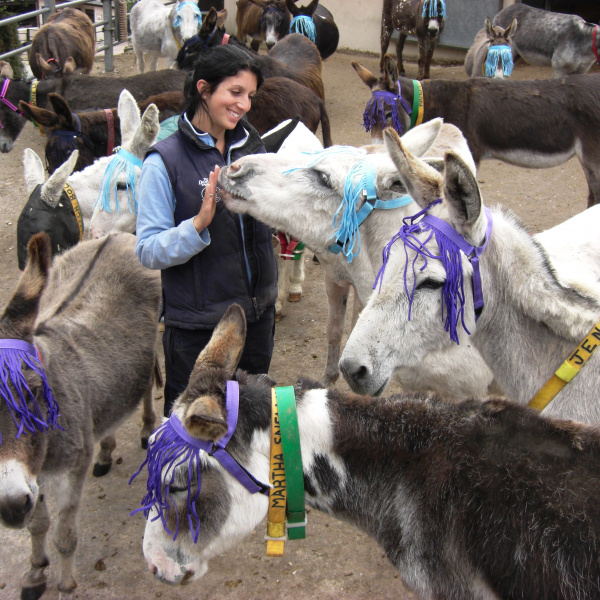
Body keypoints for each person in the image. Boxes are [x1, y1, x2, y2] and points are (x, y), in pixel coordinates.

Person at [135, 44, 278, 417]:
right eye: (234, 92)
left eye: (249, 95)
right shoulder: (163, 161)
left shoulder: (252, 145)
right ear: (204, 89)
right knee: (192, 426)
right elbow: (148, 249)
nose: (244, 104)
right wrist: (197, 225)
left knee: (249, 420)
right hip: (200, 327)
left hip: (256, 317)